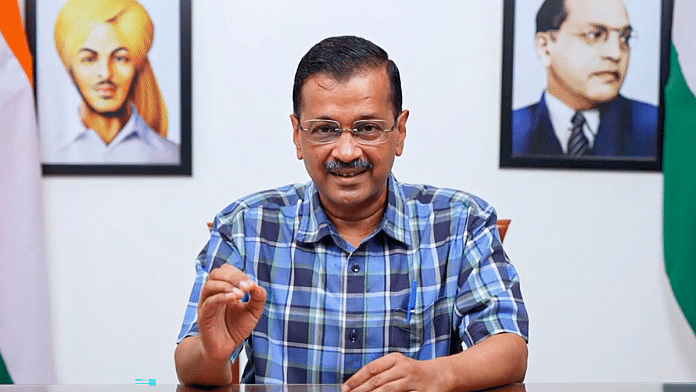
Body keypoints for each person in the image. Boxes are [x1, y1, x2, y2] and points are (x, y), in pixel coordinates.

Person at [175, 36, 528, 390]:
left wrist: (436, 374)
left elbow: (510, 350)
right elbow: (190, 368)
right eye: (325, 129)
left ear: (399, 131)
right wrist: (213, 353)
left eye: (367, 128)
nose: (345, 151)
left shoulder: (460, 223)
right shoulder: (246, 227)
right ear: (298, 135)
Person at [512, 0, 657, 158]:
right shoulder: (511, 130)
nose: (615, 53)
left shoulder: (655, 127)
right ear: (545, 48)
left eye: (624, 37)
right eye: (595, 35)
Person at [49, 0, 179, 164]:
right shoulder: (48, 153)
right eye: (89, 59)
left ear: (137, 66)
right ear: (70, 70)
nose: (105, 74)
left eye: (120, 58)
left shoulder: (171, 155)